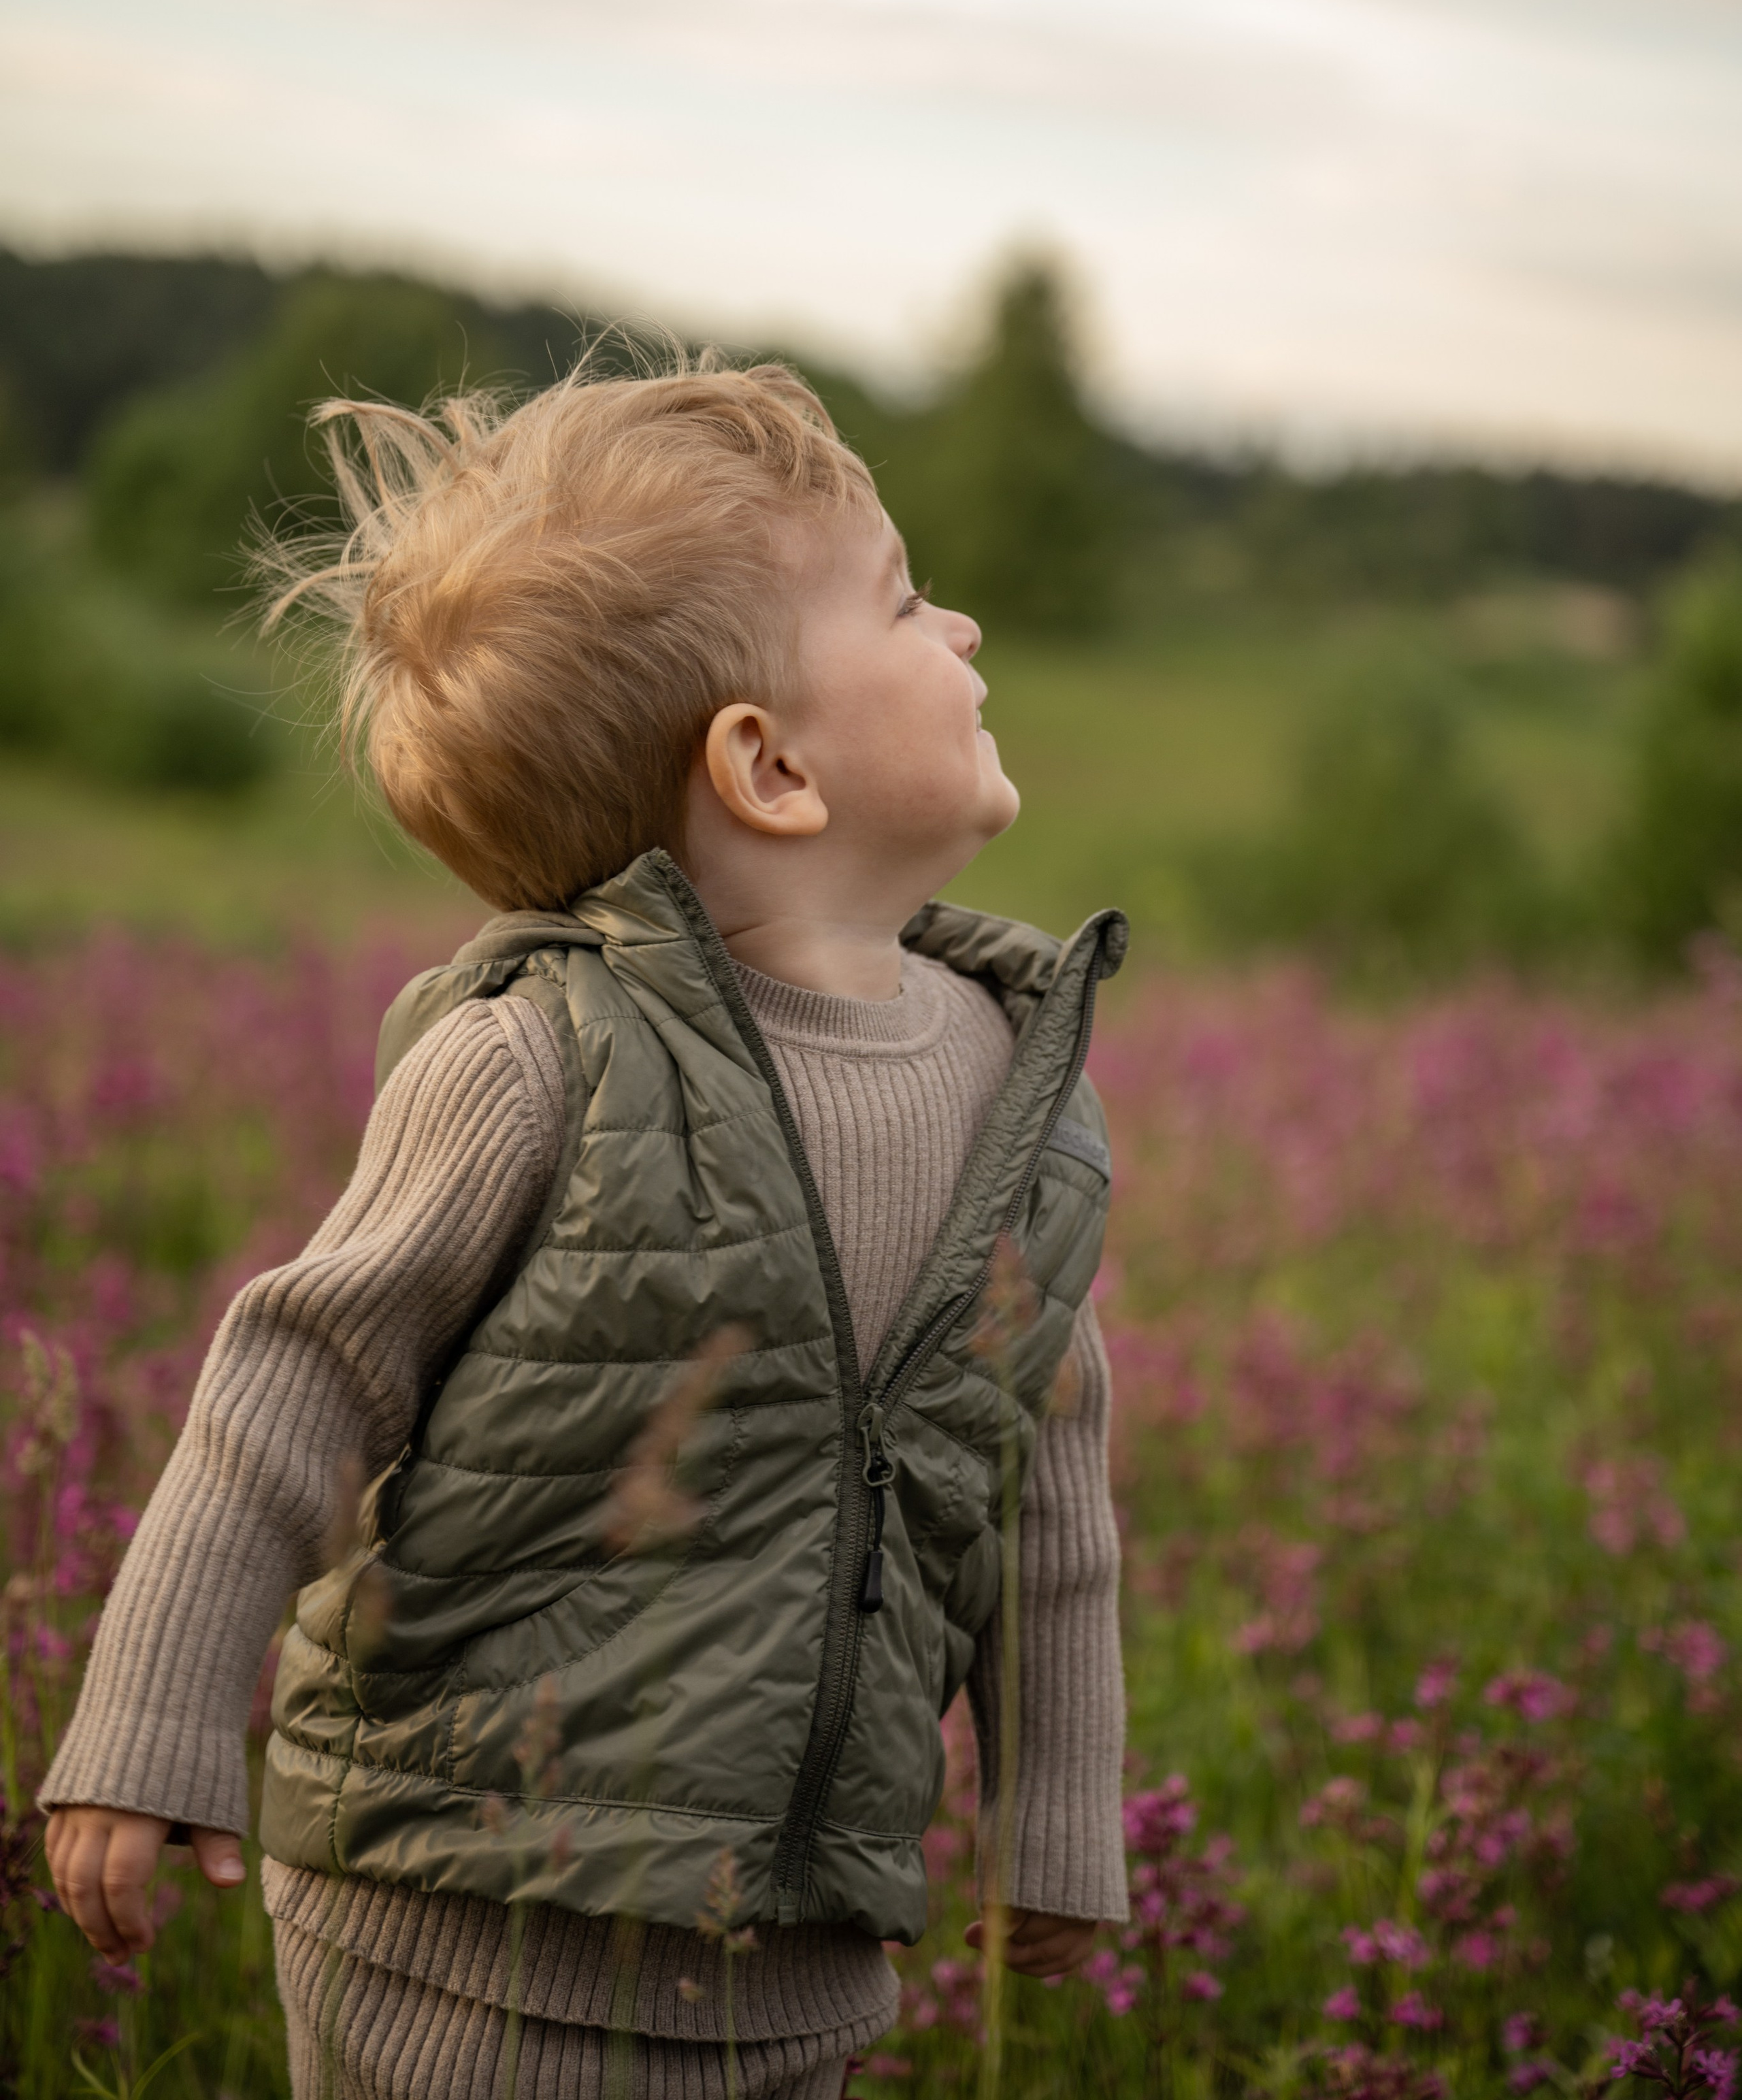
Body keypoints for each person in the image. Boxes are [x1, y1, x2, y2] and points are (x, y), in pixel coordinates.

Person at [42, 355, 1128, 2100]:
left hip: (796, 1957)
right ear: (768, 766)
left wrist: (1062, 1819)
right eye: (907, 600)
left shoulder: (1024, 1104)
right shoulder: (533, 1058)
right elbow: (289, 1395)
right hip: (451, 1930)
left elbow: (1041, 1496)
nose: (968, 628)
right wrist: (154, 1721)